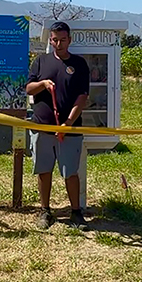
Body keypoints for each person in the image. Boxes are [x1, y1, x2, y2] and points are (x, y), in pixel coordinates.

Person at [26, 21, 90, 230]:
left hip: (70, 128)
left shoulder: (79, 64)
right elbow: (29, 88)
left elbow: (82, 97)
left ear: (69, 40)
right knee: (44, 170)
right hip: (42, 127)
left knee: (70, 172)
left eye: (63, 40)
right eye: (55, 40)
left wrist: (68, 123)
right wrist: (43, 84)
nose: (58, 43)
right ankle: (45, 211)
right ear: (50, 40)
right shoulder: (41, 61)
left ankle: (76, 213)